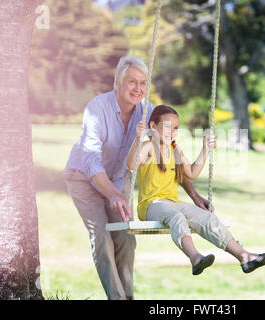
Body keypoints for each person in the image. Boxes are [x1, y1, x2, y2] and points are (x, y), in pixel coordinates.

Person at [63, 57, 213, 300]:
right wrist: (111, 193)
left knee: (126, 239)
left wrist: (194, 196)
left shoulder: (148, 112)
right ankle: (117, 298)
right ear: (117, 82)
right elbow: (91, 160)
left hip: (119, 178)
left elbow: (169, 155)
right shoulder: (96, 109)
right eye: (132, 81)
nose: (138, 88)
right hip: (84, 178)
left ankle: (128, 297)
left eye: (143, 83)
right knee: (101, 236)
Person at [127, 105, 265, 275]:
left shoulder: (175, 150)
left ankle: (244, 257)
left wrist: (205, 150)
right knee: (176, 217)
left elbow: (192, 173)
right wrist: (137, 138)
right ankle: (195, 257)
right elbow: (131, 165)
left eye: (175, 128)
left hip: (173, 203)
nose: (171, 132)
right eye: (167, 127)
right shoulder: (148, 146)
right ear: (153, 126)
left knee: (207, 217)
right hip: (151, 205)